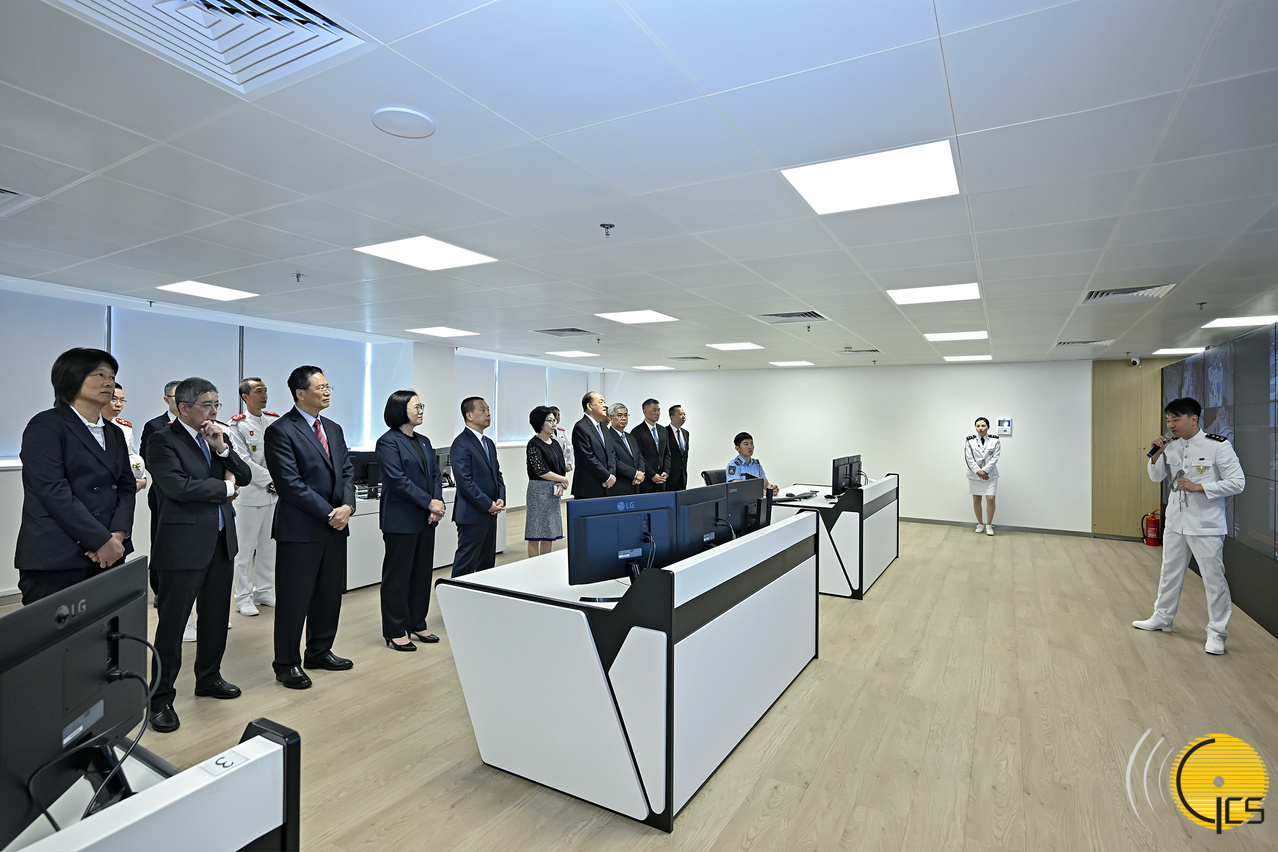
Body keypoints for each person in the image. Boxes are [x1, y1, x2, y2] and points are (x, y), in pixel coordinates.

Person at [146, 377, 252, 733]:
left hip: (221, 542)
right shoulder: (162, 440)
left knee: (215, 617)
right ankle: (160, 698)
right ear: (183, 407)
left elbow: (244, 475)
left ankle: (208, 677)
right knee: (173, 624)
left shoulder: (215, 437)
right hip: (183, 546)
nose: (214, 412)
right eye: (207, 405)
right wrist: (225, 487)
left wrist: (222, 449)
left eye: (217, 404)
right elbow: (178, 487)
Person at [15, 348, 135, 604]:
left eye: (112, 377)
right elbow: (52, 491)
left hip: (110, 553)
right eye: (99, 375)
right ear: (72, 378)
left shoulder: (114, 433)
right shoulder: (46, 425)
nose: (109, 383)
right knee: (51, 627)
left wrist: (118, 535)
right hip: (58, 555)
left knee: (107, 625)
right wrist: (100, 540)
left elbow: (126, 486)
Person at [264, 366, 356, 690]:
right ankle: (286, 663)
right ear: (300, 393)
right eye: (320, 387)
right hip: (300, 529)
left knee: (329, 595)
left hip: (335, 526)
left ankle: (319, 651)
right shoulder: (280, 430)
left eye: (328, 386)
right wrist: (330, 512)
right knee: (295, 599)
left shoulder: (333, 428)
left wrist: (348, 506)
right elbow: (290, 484)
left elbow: (347, 471)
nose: (327, 392)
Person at [1135, 397, 1245, 655]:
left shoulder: (1217, 445)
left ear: (1193, 419)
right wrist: (1155, 454)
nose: (1170, 425)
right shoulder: (1170, 445)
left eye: (1176, 419)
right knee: (1169, 573)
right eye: (1168, 420)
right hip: (1176, 521)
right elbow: (1156, 477)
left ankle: (1217, 632)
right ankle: (1162, 617)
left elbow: (1237, 482)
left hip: (1205, 525)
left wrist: (1200, 487)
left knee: (1214, 580)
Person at [375, 390, 445, 650]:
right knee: (398, 576)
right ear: (399, 410)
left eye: (421, 405)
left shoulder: (424, 441)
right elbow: (397, 480)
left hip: (426, 518)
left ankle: (417, 622)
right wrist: (429, 502)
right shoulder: (388, 442)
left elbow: (435, 474)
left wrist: (436, 503)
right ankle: (394, 629)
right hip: (401, 519)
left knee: (421, 573)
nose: (421, 410)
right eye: (416, 406)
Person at [226, 377, 280, 617]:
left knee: (269, 546)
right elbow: (243, 461)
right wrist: (272, 480)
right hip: (250, 494)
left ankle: (264, 590)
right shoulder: (236, 425)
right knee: (244, 550)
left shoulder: (274, 421)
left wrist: (279, 482)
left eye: (265, 390)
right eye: (258, 391)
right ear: (245, 396)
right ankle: (243, 596)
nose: (264, 395)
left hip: (274, 496)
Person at [450, 397, 505, 577]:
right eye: (483, 410)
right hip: (472, 513)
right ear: (469, 415)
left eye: (488, 409)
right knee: (466, 562)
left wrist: (501, 497)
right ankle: (455, 593)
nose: (488, 414)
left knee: (487, 563)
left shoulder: (488, 442)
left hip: (491, 511)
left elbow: (497, 474)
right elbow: (465, 482)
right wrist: (487, 504)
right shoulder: (461, 443)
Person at [140, 378, 181, 597]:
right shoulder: (155, 425)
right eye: (177, 396)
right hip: (162, 493)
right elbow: (147, 459)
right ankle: (159, 589)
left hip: (191, 493)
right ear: (167, 399)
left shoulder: (197, 424)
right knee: (161, 540)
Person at [525, 405, 569, 558]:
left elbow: (561, 467)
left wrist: (560, 483)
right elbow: (540, 470)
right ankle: (534, 565)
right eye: (549, 420)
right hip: (538, 491)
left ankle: (545, 562)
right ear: (540, 423)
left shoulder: (555, 443)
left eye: (554, 420)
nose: (554, 423)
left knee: (549, 533)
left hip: (553, 491)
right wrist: (562, 479)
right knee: (535, 533)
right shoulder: (534, 444)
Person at [571, 392, 616, 499]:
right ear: (589, 406)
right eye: (601, 402)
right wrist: (606, 476)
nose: (605, 405)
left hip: (607, 486)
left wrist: (611, 476)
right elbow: (587, 457)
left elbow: (611, 453)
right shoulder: (581, 427)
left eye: (604, 402)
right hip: (588, 487)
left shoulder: (604, 427)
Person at [107, 382, 147, 493]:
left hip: (122, 487)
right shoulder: (90, 426)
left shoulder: (125, 428)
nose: (118, 404)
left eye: (122, 400)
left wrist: (143, 479)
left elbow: (132, 456)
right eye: (114, 399)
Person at [965, 417, 1001, 536]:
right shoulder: (969, 441)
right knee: (976, 499)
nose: (980, 428)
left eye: (983, 426)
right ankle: (980, 523)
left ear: (988, 427)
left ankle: (989, 524)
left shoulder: (995, 440)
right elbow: (969, 458)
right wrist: (978, 472)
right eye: (978, 426)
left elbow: (995, 457)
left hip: (990, 475)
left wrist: (984, 471)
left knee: (990, 498)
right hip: (974, 475)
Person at [632, 398, 671, 493]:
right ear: (644, 411)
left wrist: (666, 471)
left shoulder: (663, 430)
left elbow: (667, 453)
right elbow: (639, 456)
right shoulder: (637, 432)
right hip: (646, 480)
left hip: (661, 479)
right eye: (654, 410)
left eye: (658, 410)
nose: (657, 413)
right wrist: (652, 475)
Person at [606, 403, 644, 496]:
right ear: (611, 418)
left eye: (626, 415)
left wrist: (641, 473)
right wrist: (635, 474)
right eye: (619, 415)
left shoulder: (630, 437)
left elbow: (639, 456)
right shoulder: (607, 437)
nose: (623, 418)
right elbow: (614, 461)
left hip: (635, 485)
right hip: (619, 487)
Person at [727, 432, 779, 496]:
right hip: (740, 500)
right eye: (746, 444)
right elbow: (738, 488)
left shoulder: (756, 464)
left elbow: (765, 485)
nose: (750, 447)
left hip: (756, 500)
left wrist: (771, 489)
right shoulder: (733, 465)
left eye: (751, 443)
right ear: (737, 448)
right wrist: (761, 493)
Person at [665, 404, 690, 492]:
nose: (683, 416)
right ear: (672, 417)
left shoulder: (686, 433)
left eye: (684, 414)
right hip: (669, 477)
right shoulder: (664, 432)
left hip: (682, 477)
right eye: (680, 414)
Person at [549, 405, 573, 474]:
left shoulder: (561, 431)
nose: (559, 417)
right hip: (551, 465)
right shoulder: (546, 432)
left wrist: (569, 463)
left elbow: (569, 447)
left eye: (559, 415)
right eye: (557, 415)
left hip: (561, 464)